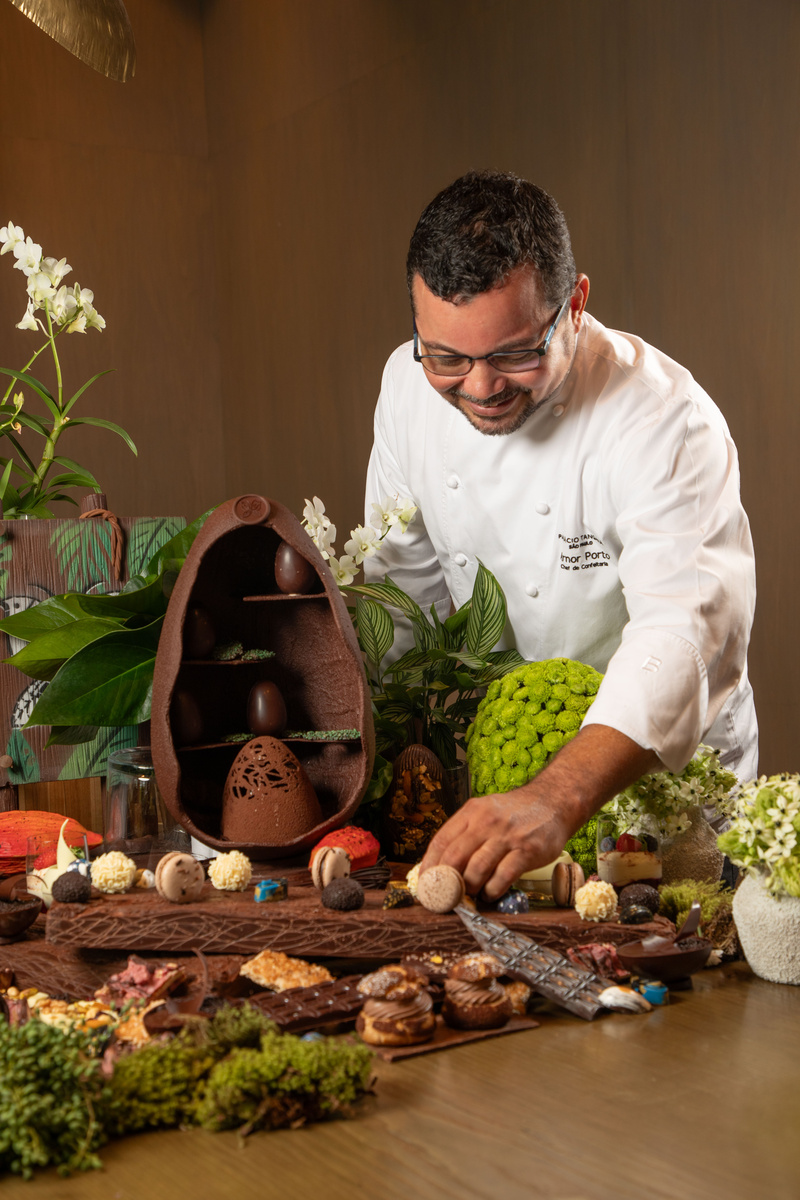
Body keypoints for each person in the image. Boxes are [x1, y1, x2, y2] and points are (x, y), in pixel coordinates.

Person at [363, 170, 757, 899]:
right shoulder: (404, 390)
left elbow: (682, 635)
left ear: (574, 304)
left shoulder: (664, 420)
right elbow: (401, 605)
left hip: (661, 799)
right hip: (509, 786)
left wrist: (554, 797)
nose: (480, 387)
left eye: (514, 353)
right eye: (446, 358)